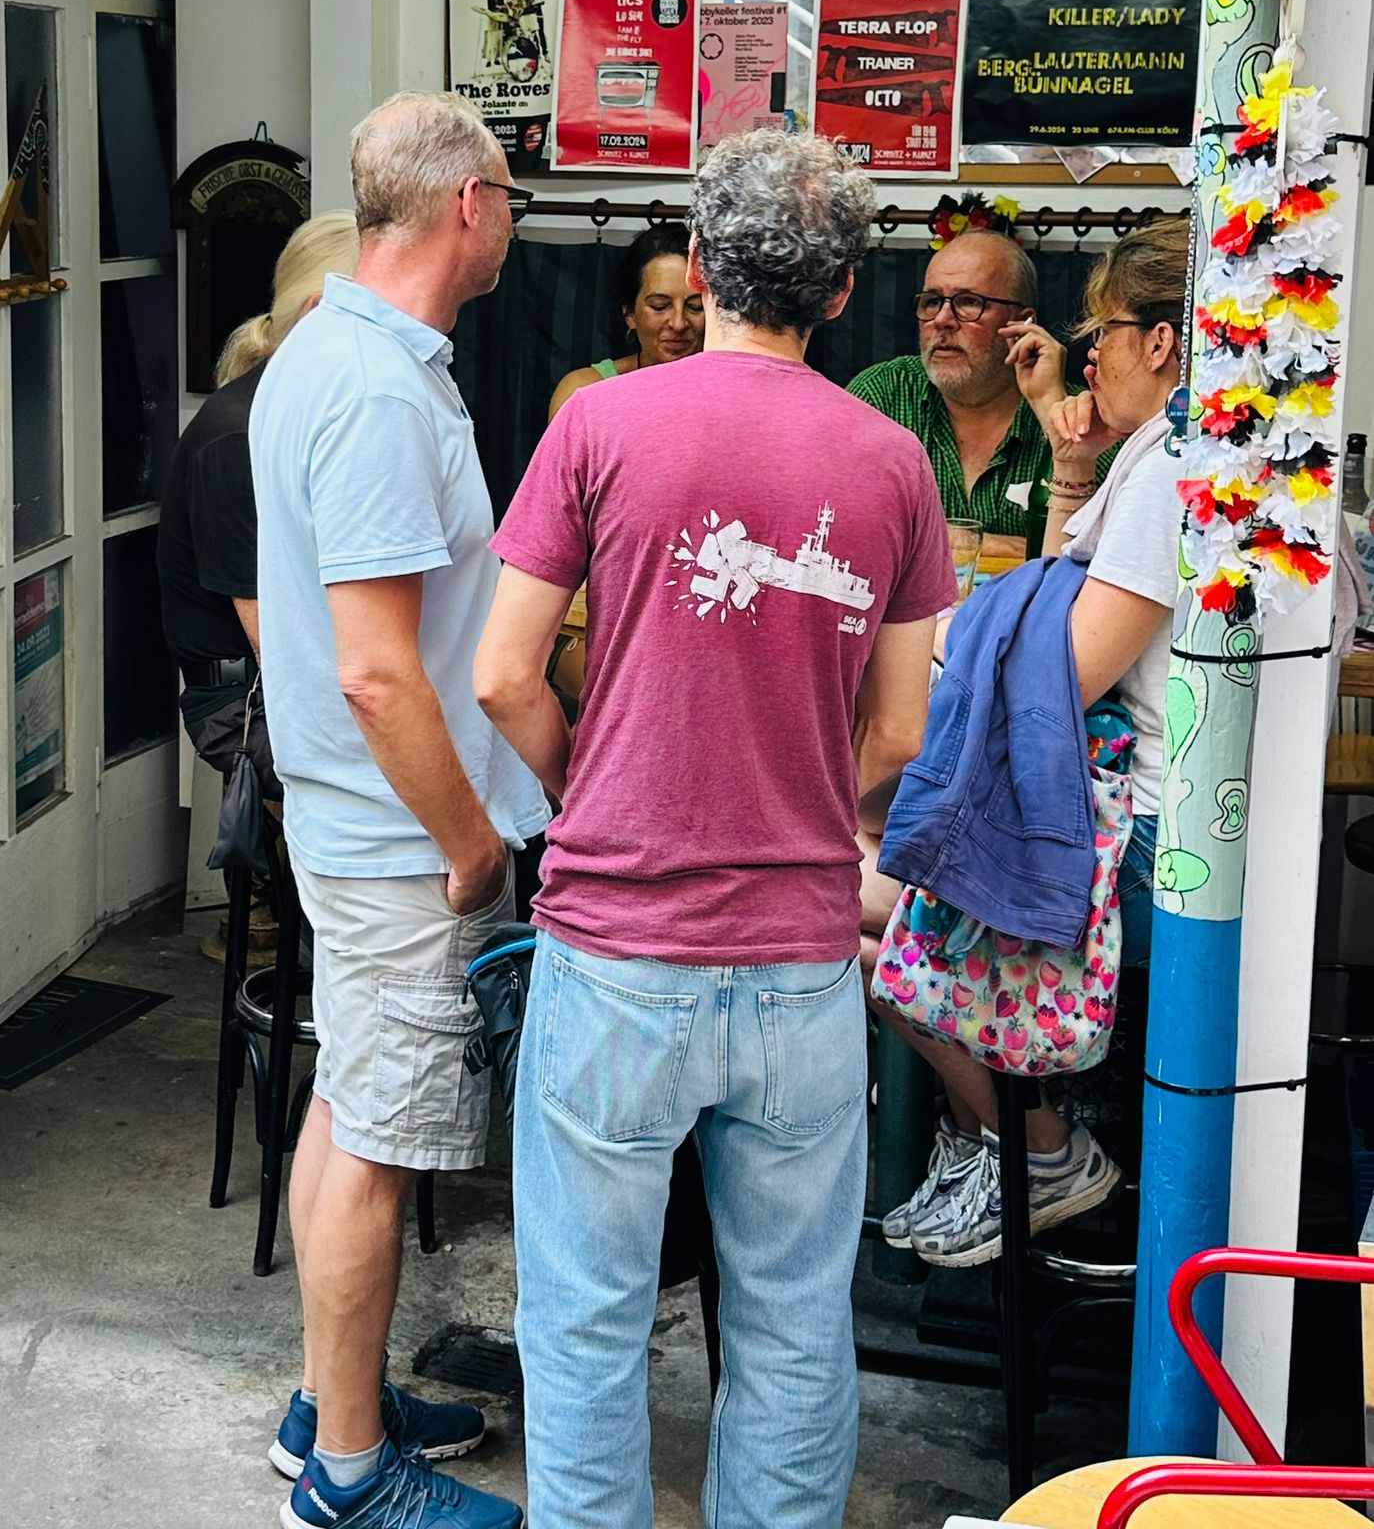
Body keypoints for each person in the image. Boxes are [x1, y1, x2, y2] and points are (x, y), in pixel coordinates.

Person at [474, 128, 956, 1529]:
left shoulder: (599, 423)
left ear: (697, 266)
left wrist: (593, 788)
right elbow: (902, 728)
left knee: (584, 1314)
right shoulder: (892, 463)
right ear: (843, 292)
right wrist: (805, 804)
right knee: (794, 1317)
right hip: (800, 957)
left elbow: (501, 673)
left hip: (616, 946)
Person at [250, 92, 543, 1529]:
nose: (514, 222)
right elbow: (376, 671)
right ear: (469, 204)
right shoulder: (372, 387)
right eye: (510, 199)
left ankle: (331, 1401)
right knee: (376, 1142)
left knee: (346, 1105)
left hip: (355, 823)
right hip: (399, 841)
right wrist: (470, 843)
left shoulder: (339, 350)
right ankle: (353, 1479)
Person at [863, 217, 1191, 1268]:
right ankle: (1002, 1142)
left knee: (830, 901)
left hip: (1136, 838)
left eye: (1104, 333)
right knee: (863, 881)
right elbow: (1053, 600)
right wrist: (1071, 460)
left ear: (1162, 342)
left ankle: (1032, 1147)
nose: (1088, 357)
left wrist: (945, 643)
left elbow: (1059, 670)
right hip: (1122, 806)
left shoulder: (1173, 472)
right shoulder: (1156, 458)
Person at [157, 211, 361, 859]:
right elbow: (277, 642)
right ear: (320, 312)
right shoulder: (237, 437)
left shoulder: (308, 408)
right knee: (423, 777)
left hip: (297, 678)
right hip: (245, 702)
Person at [846, 228, 1054, 555]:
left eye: (969, 302)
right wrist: (981, 542)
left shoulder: (1073, 414)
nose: (942, 320)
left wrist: (1052, 408)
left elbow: (1104, 554)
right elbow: (839, 522)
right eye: (932, 302)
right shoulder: (882, 395)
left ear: (1022, 324)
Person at [547, 221, 704, 419]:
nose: (678, 323)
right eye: (659, 306)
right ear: (630, 314)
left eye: (695, 306)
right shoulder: (584, 391)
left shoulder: (730, 390)